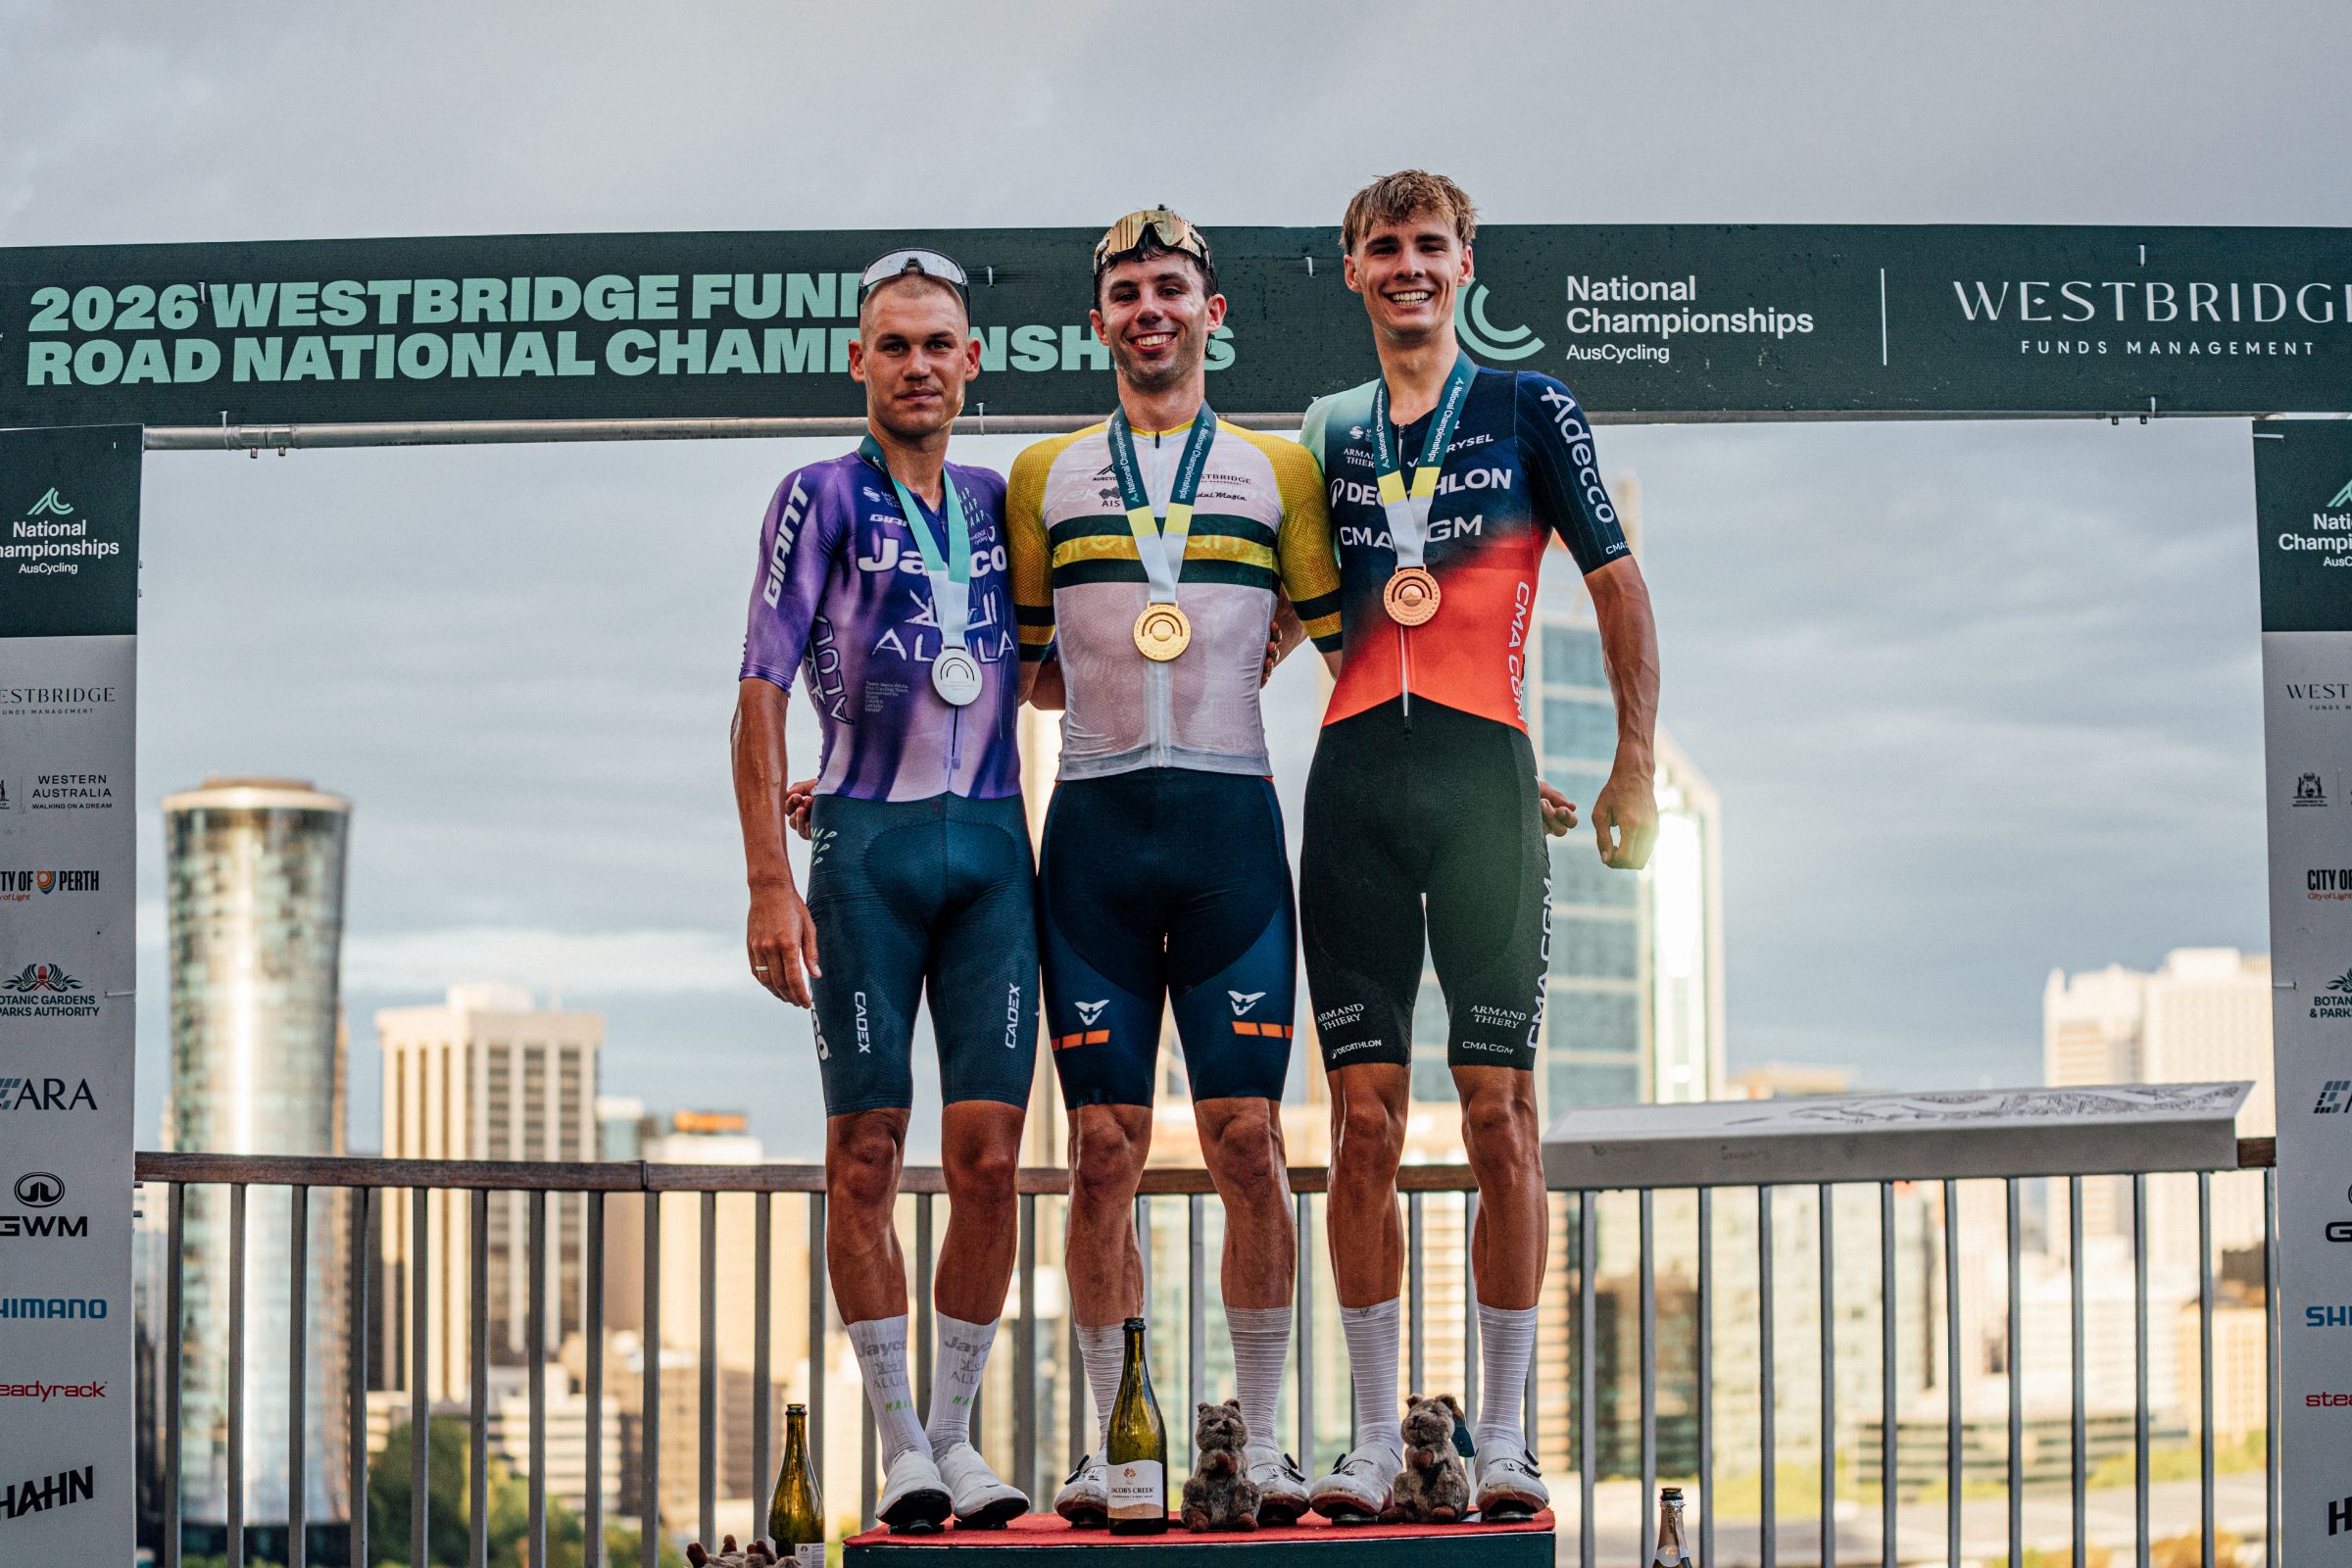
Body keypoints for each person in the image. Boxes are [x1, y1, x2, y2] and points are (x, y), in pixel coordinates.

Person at [1298, 171, 1660, 1524]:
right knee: (1362, 1126)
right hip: (1352, 787)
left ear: (1465, 265)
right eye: (1382, 247)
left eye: (1428, 246)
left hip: (1487, 781)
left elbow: (1615, 581)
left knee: (1503, 1115)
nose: (1407, 266)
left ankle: (1502, 1436)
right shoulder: (1326, 432)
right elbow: (1276, 606)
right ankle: (1379, 1436)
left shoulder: (1527, 405)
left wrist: (1627, 763)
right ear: (1352, 270)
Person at [1004, 207, 1345, 1528]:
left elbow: (1347, 631)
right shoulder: (1046, 475)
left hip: (1229, 838)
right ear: (1100, 322)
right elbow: (1018, 669)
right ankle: (1119, 1442)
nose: (1150, 309)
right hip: (1091, 831)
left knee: (1250, 1140)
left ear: (1214, 317)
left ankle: (1259, 1441)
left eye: (1173, 290)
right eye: (1128, 292)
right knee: (1100, 1151)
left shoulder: (1278, 472)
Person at [731, 248, 1038, 1534]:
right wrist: (766, 877)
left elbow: (1068, 654)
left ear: (973, 365)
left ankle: (959, 1443)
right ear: (858, 361)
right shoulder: (817, 496)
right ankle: (900, 1437)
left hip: (994, 855)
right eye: (893, 344)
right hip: (864, 855)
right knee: (865, 1154)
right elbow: (756, 686)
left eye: (938, 345)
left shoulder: (999, 498)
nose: (917, 364)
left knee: (990, 1159)